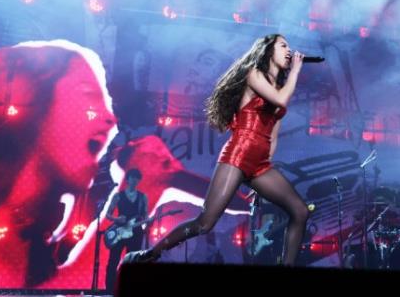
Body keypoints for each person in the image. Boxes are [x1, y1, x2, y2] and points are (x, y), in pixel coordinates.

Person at [123, 34, 309, 266]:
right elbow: (280, 101)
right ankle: (150, 254)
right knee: (204, 223)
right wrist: (296, 71)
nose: (289, 51)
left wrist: (262, 176)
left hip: (260, 163)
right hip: (239, 154)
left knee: (300, 211)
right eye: (284, 46)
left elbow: (273, 131)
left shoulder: (280, 87)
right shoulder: (254, 74)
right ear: (268, 51)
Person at [0, 40, 117, 287]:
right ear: (37, 98)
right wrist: (146, 187)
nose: (109, 118)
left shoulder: (34, 232)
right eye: (89, 95)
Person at [105, 168, 149, 292]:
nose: (134, 180)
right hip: (119, 231)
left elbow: (146, 216)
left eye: (137, 178)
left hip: (135, 232)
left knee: (133, 261)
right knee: (113, 261)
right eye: (132, 177)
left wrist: (148, 222)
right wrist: (117, 219)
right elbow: (108, 214)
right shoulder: (118, 196)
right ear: (127, 179)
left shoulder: (142, 197)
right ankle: (109, 290)